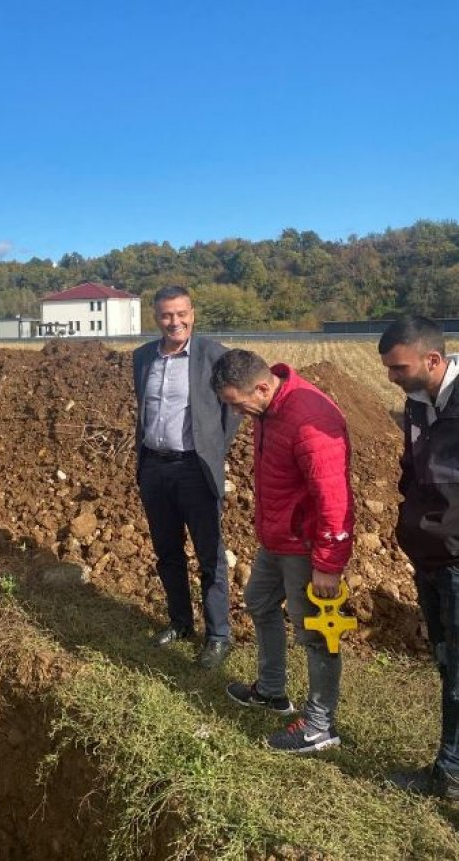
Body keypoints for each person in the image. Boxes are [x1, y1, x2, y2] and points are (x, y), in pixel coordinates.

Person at [211, 349, 354, 753]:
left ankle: (320, 725)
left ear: (260, 387)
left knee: (314, 633)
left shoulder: (309, 419)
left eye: (238, 404)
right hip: (277, 537)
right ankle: (272, 691)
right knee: (258, 600)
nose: (237, 414)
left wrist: (328, 562)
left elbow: (334, 498)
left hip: (305, 546)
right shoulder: (267, 407)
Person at [133, 286, 241, 669]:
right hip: (155, 468)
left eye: (181, 313)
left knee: (210, 554)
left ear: (193, 313)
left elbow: (233, 412)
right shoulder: (143, 357)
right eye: (166, 315)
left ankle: (218, 635)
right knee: (168, 553)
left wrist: (212, 448)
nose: (174, 322)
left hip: (195, 468)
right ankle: (180, 622)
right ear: (156, 317)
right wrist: (145, 464)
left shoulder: (215, 355)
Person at [378, 315, 459, 800]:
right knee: (447, 662)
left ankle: (449, 773)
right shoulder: (416, 404)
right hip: (428, 555)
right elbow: (413, 469)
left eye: (398, 368)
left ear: (432, 359)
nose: (391, 377)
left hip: (456, 560)